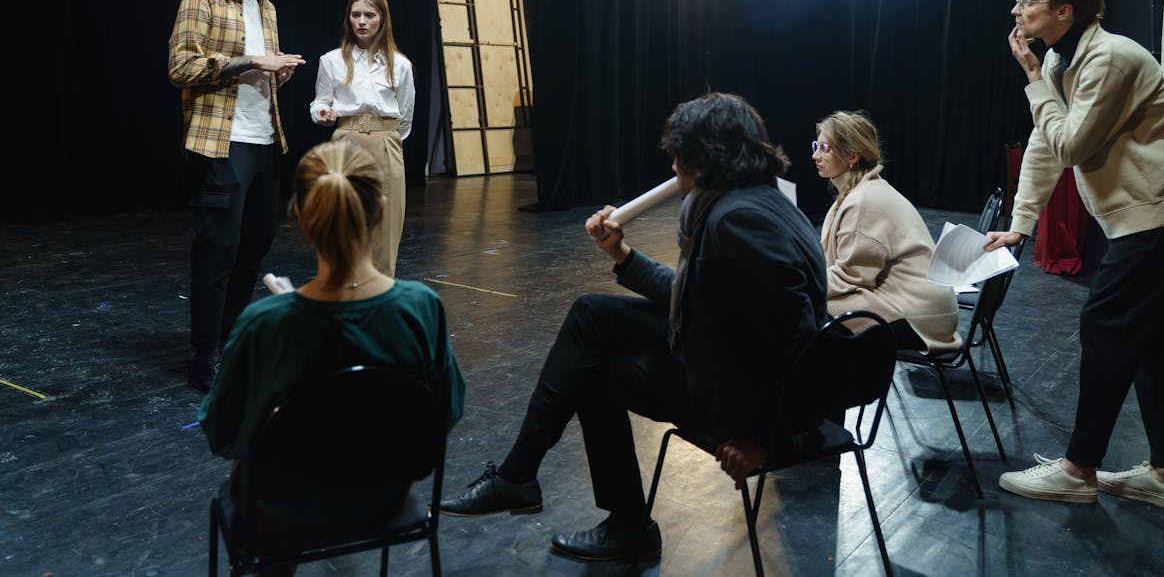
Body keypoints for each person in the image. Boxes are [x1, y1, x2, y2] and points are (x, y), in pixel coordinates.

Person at [439, 92, 827, 563]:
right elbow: (693, 295)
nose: (674, 168)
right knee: (591, 315)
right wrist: (619, 253)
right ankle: (521, 477)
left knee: (595, 374)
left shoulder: (739, 219)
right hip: (730, 356)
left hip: (751, 405)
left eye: (679, 157)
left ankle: (610, 519)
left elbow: (798, 337)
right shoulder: (756, 198)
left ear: (704, 160)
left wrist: (763, 440)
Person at [989, 0, 1164, 512]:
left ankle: (1078, 469)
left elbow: (1069, 145)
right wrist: (1020, 224)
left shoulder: (1108, 59)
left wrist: (1033, 80)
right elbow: (1044, 145)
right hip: (1145, 209)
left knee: (1105, 325)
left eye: (1027, 0)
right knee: (1151, 337)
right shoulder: (1063, 58)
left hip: (1158, 209)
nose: (1016, 9)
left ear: (1064, 11)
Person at [199, 140, 465, 527]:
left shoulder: (265, 323)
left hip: (283, 507)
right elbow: (446, 409)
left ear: (300, 216)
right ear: (380, 213)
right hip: (384, 494)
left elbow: (223, 432)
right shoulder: (421, 308)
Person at [167, 0, 306, 393]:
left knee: (255, 247)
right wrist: (251, 61)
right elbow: (180, 67)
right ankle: (203, 356)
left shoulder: (267, 6)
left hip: (265, 141)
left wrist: (278, 72)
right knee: (217, 252)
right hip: (220, 142)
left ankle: (230, 340)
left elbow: (262, 71)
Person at [812, 111, 961, 353]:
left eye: (824, 148)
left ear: (852, 156)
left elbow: (851, 277)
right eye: (816, 146)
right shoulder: (861, 191)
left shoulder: (863, 200)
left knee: (810, 311)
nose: (815, 155)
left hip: (921, 316)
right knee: (812, 303)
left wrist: (799, 283)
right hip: (917, 304)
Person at [310, 0, 415, 276]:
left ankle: (379, 292)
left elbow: (405, 115)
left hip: (386, 140)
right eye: (355, 14)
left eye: (369, 15)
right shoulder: (331, 60)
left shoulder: (400, 65)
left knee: (386, 224)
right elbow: (320, 101)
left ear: (382, 19)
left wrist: (387, 138)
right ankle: (342, 290)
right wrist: (322, 113)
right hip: (346, 138)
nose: (362, 21)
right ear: (348, 18)